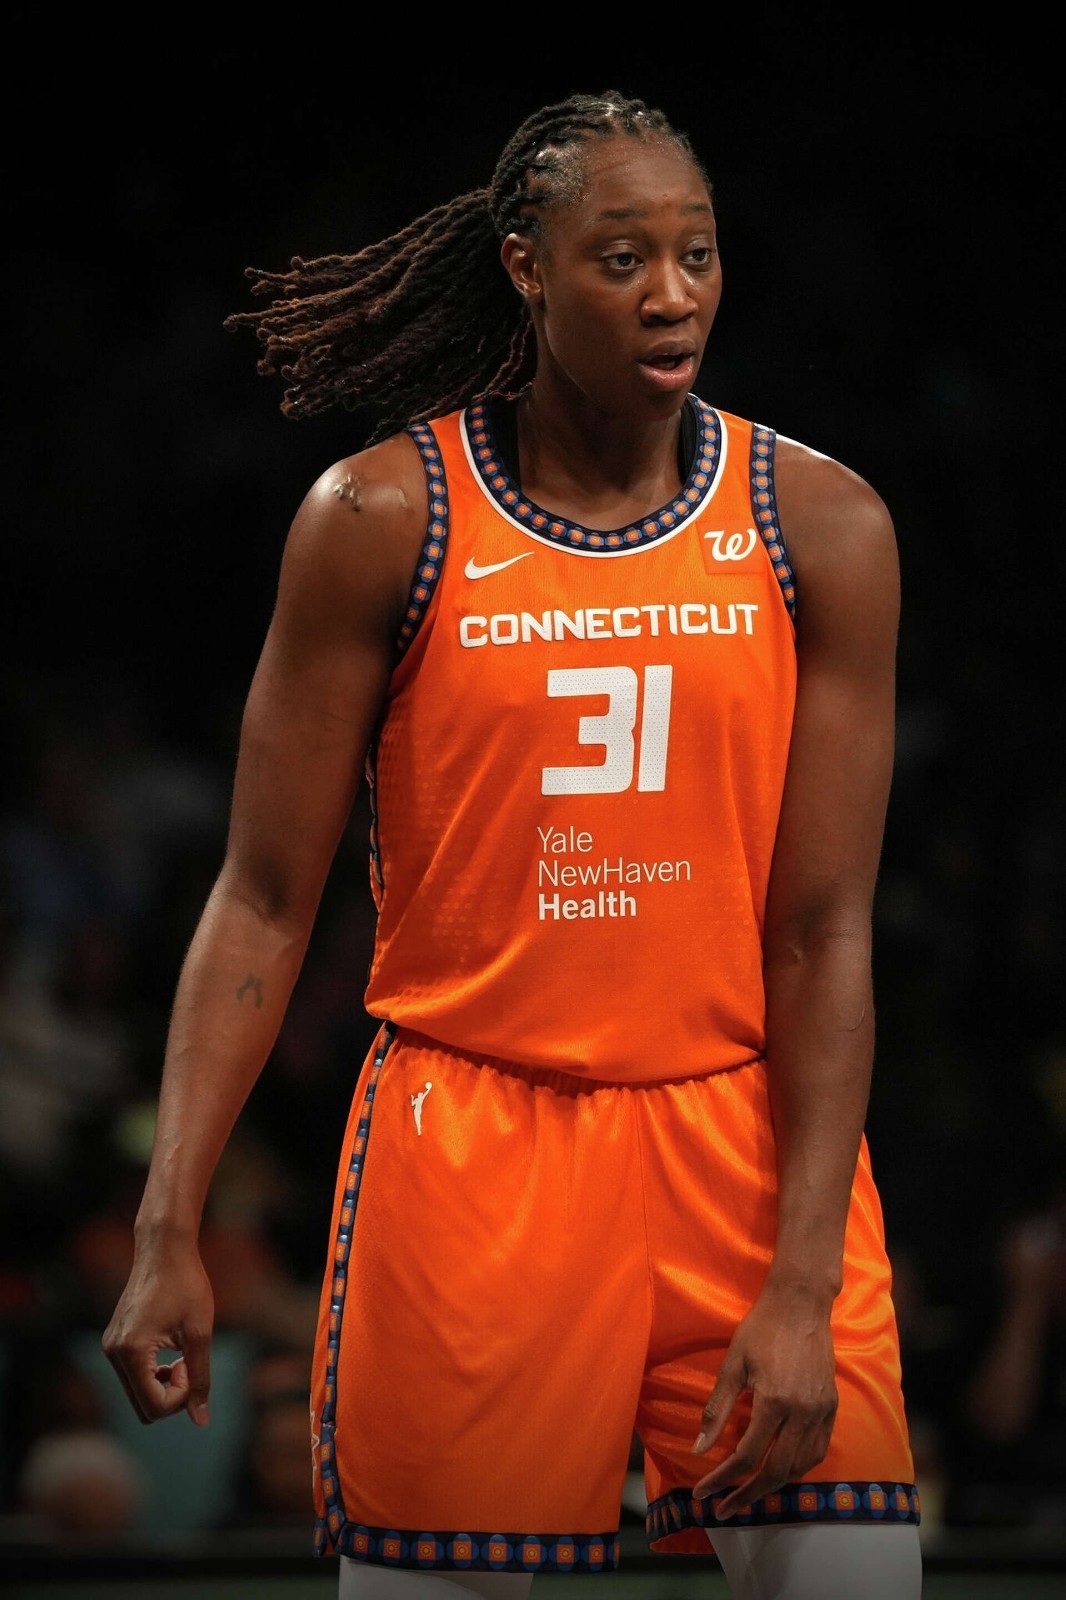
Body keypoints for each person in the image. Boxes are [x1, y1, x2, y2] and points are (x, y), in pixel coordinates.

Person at [102, 90, 921, 1599]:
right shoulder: (378, 515)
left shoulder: (822, 524)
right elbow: (264, 900)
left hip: (740, 1146)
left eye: (696, 253)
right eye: (622, 257)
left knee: (855, 1577)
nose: (671, 294)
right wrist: (171, 1225)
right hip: (471, 1149)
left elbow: (824, 934)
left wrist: (804, 1279)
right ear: (527, 266)